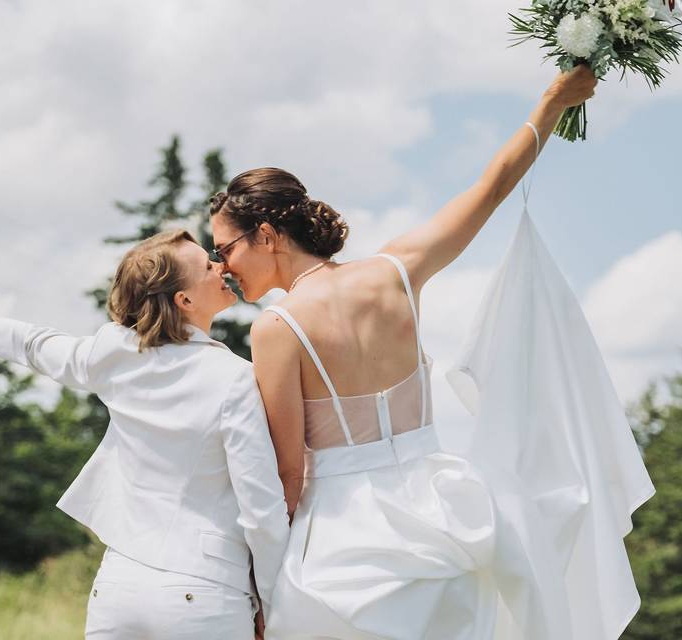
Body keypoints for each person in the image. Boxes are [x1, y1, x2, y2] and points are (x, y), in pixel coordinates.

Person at [209, 65, 652, 639]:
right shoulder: (397, 271)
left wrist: (263, 590)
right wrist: (552, 102)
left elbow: (288, 473)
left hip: (347, 545)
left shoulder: (277, 327)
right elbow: (491, 187)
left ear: (267, 235)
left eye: (225, 247)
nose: (223, 266)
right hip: (445, 520)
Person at [0, 229, 289, 639]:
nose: (221, 265)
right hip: (205, 591)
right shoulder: (236, 379)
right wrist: (273, 601)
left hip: (118, 586)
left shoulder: (115, 353)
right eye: (208, 265)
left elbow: (32, 344)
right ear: (185, 300)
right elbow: (261, 505)